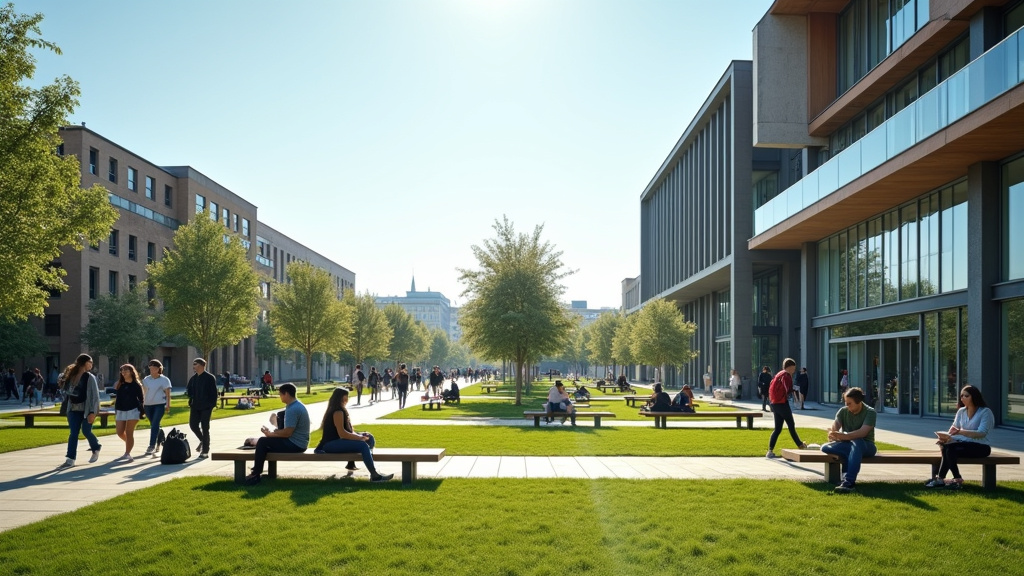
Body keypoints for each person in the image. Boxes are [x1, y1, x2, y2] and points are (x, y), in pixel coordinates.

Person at [313, 387, 394, 482]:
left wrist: (362, 436)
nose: (348, 399)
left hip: (338, 441)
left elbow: (349, 432)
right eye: (346, 396)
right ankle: (375, 475)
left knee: (369, 438)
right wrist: (359, 438)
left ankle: (354, 463)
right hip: (330, 444)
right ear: (341, 397)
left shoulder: (341, 410)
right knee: (363, 445)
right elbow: (342, 433)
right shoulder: (337, 412)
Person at [925, 385, 994, 490]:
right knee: (947, 446)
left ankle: (947, 479)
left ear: (974, 397)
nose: (962, 398)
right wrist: (946, 438)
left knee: (950, 449)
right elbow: (953, 430)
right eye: (961, 396)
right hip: (961, 445)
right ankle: (950, 479)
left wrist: (960, 432)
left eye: (966, 396)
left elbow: (982, 433)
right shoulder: (961, 411)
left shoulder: (985, 412)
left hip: (981, 447)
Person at [244, 383, 311, 485]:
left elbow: (287, 433)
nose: (280, 397)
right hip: (299, 443)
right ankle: (258, 472)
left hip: (296, 444)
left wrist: (271, 434)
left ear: (286, 394)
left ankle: (255, 474)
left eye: (280, 394)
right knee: (266, 442)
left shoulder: (293, 409)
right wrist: (271, 434)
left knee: (262, 442)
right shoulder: (296, 405)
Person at [821, 387, 876, 493]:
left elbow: (862, 433)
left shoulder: (870, 412)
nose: (847, 405)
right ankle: (846, 478)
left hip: (866, 445)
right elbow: (836, 424)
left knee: (857, 441)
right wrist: (833, 433)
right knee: (825, 447)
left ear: (858, 401)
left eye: (849, 403)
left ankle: (849, 482)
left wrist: (843, 436)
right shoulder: (843, 411)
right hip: (849, 445)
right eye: (846, 402)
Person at [56, 354, 102, 469]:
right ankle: (70, 459)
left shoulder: (90, 377)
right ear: (84, 362)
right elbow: (65, 391)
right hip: (73, 409)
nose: (91, 364)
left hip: (86, 410)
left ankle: (96, 447)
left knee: (86, 431)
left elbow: (95, 396)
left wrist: (93, 412)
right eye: (90, 362)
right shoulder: (71, 375)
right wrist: (62, 382)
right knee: (73, 434)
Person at [766, 358, 810, 459]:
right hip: (782, 403)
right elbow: (788, 389)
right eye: (793, 368)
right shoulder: (786, 375)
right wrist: (794, 391)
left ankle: (770, 451)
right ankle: (800, 445)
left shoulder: (779, 374)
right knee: (791, 424)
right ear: (789, 367)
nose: (794, 370)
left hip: (774, 404)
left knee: (777, 429)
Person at [185, 358, 218, 459]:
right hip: (195, 406)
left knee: (205, 427)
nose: (193, 366)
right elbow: (189, 390)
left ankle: (205, 451)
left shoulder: (210, 378)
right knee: (193, 425)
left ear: (201, 365)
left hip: (206, 407)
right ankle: (204, 441)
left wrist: (211, 405)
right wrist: (190, 397)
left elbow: (214, 393)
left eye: (195, 364)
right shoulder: (193, 378)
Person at [113, 364, 145, 463]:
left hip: (133, 410)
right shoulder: (120, 384)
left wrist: (142, 411)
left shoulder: (136, 385)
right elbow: (117, 396)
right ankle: (129, 443)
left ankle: (127, 453)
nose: (123, 372)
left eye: (126, 370)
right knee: (119, 432)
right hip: (121, 410)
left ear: (131, 371)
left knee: (129, 431)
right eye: (122, 370)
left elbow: (141, 399)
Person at [142, 359, 173, 456]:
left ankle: (151, 445)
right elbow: (143, 393)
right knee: (155, 425)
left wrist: (168, 404)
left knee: (154, 424)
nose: (152, 370)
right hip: (148, 405)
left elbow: (168, 393)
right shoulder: (146, 379)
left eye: (154, 368)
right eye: (150, 368)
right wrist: (142, 405)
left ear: (159, 369)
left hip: (159, 405)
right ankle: (160, 439)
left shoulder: (164, 380)